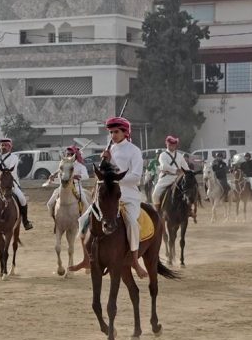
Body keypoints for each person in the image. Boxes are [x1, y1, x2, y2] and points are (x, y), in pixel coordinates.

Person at [71, 116, 147, 279]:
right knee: (82, 220)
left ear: (125, 132)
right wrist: (104, 162)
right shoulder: (110, 150)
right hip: (108, 197)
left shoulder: (134, 151)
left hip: (128, 196)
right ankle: (86, 259)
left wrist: (114, 175)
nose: (113, 135)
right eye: (111, 132)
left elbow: (136, 177)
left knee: (132, 223)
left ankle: (134, 260)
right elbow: (103, 175)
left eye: (116, 132)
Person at [0, 138, 33, 232]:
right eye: (2, 145)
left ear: (10, 147)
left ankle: (25, 222)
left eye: (6, 145)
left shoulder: (14, 158)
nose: (4, 147)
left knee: (22, 199)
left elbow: (8, 170)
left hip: (10, 185)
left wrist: (0, 164)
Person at [46, 145, 90, 223]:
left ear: (75, 155)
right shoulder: (63, 166)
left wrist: (77, 176)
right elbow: (60, 180)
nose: (69, 155)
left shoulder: (80, 166)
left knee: (85, 203)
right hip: (63, 187)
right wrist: (52, 179)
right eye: (67, 154)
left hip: (76, 186)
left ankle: (85, 219)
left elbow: (86, 176)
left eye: (71, 154)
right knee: (49, 203)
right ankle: (55, 219)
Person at [151, 135, 191, 208]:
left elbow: (186, 167)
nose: (172, 146)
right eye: (170, 145)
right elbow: (164, 166)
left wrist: (190, 173)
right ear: (167, 144)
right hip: (166, 178)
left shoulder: (179, 156)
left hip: (179, 178)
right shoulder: (162, 155)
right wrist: (176, 170)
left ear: (176, 145)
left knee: (189, 191)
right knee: (155, 194)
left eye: (173, 145)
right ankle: (158, 213)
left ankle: (189, 210)